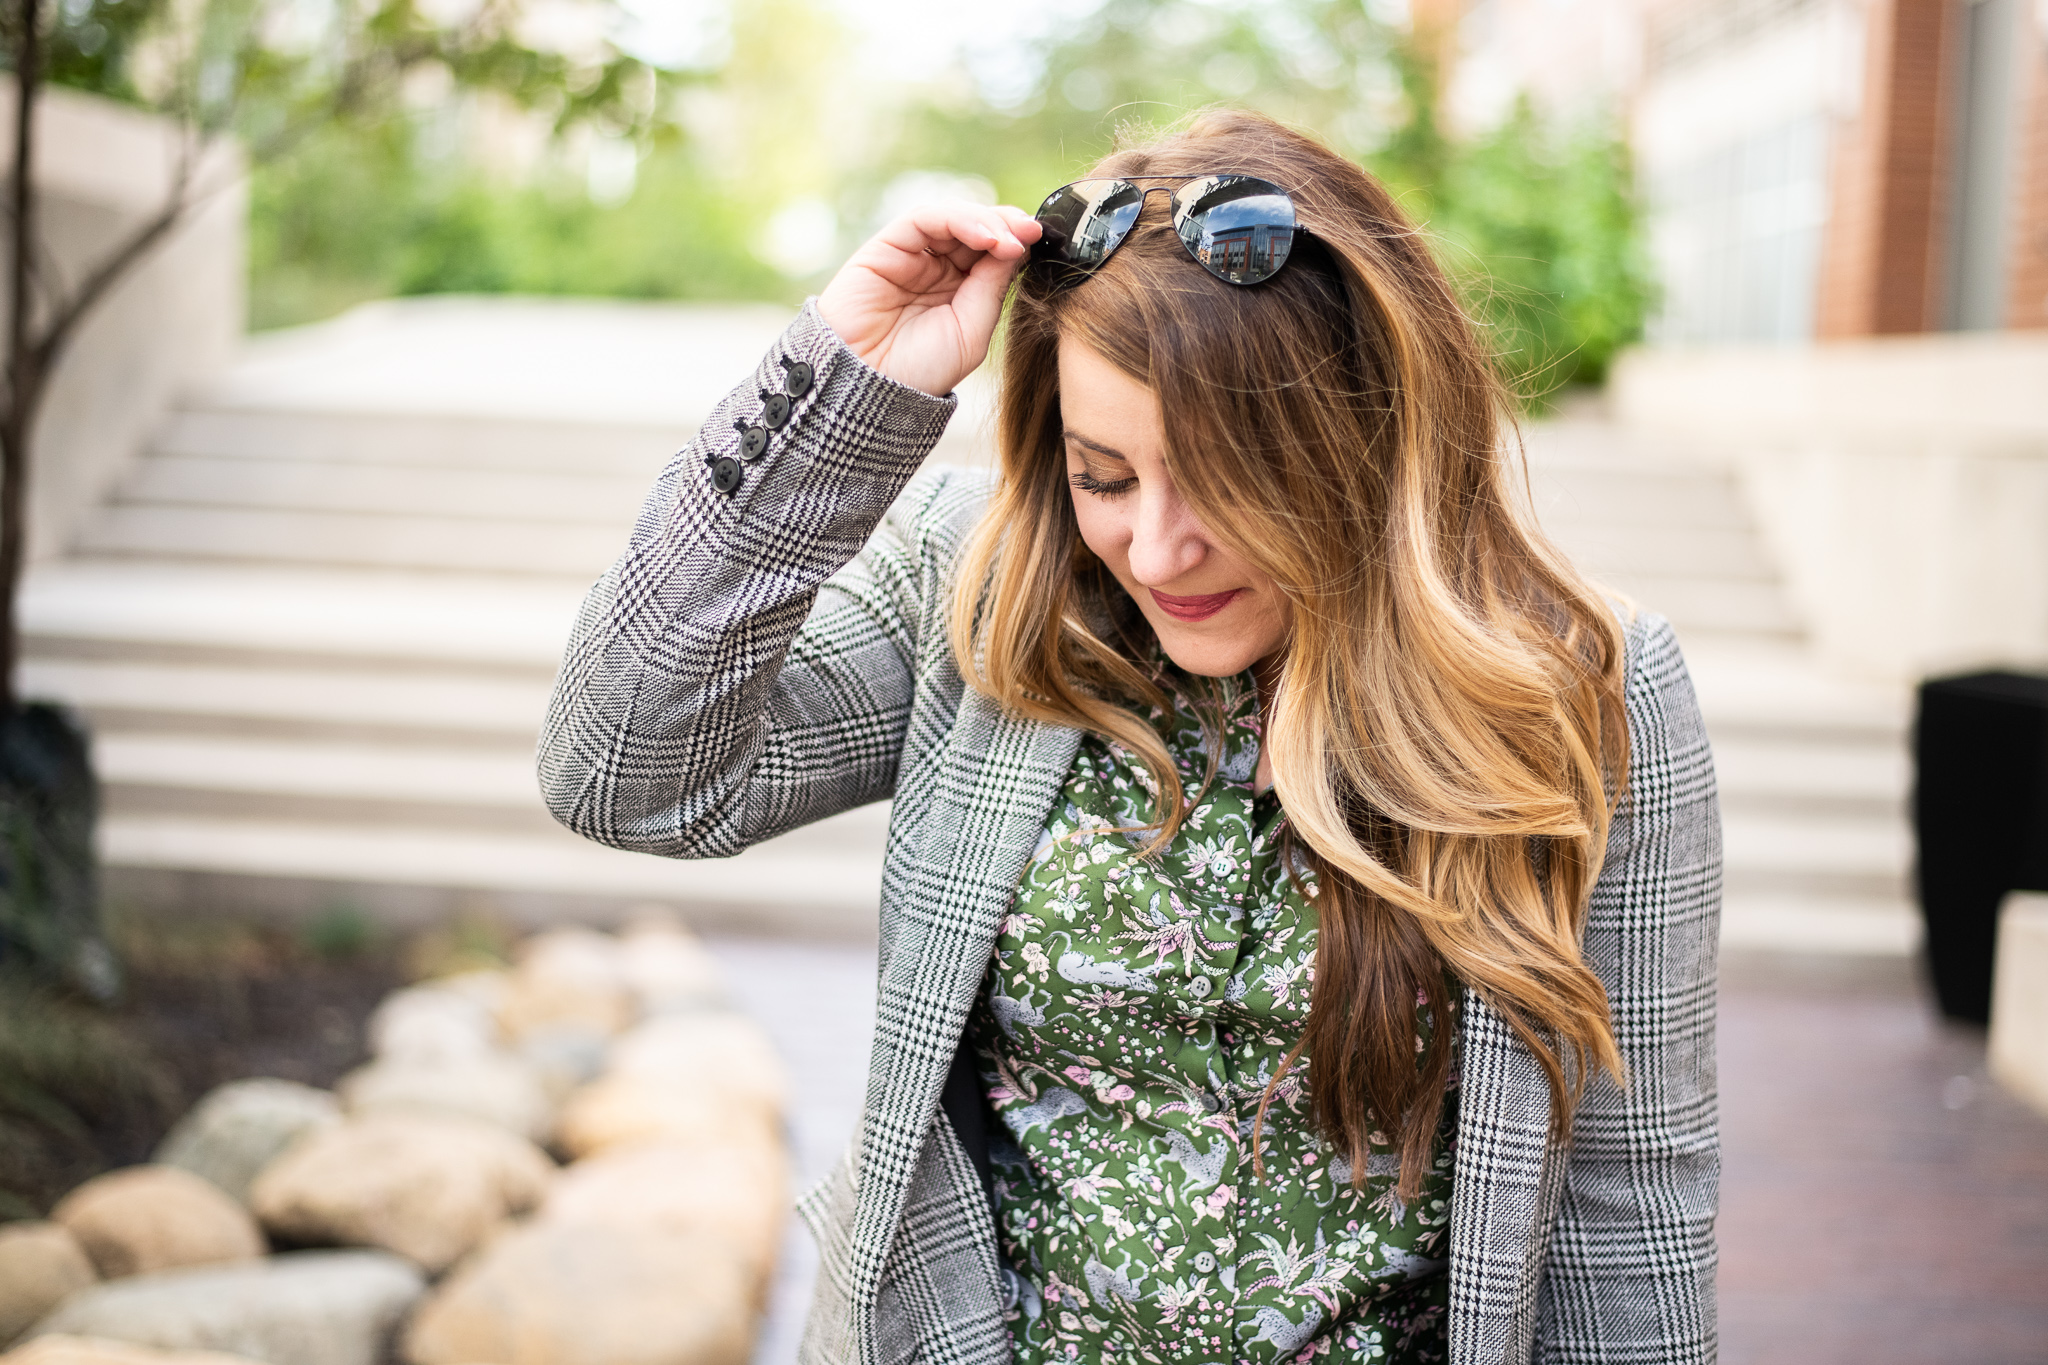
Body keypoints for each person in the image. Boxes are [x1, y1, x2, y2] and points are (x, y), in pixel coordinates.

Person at [539, 109, 1719, 1365]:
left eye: (1226, 483)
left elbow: (1629, 1189)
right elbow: (624, 775)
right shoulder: (977, 587)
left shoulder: (1580, 687)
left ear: (1361, 441)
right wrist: (845, 389)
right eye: (1103, 477)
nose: (1157, 550)